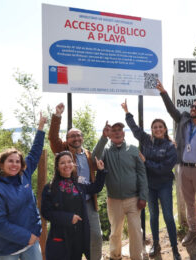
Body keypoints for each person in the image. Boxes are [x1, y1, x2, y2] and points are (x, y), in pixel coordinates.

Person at [156, 80, 196, 251]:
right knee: (190, 203)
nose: (193, 109)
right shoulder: (183, 119)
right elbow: (171, 109)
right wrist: (163, 92)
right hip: (184, 168)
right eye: (192, 106)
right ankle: (194, 231)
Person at [121, 99, 181, 260]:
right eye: (155, 127)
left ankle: (175, 248)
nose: (158, 129)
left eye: (160, 127)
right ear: (152, 130)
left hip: (164, 184)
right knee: (153, 216)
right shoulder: (147, 140)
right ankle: (156, 244)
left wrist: (146, 161)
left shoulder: (170, 146)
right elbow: (135, 130)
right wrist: (127, 112)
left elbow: (164, 169)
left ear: (165, 129)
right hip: (149, 185)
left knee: (168, 216)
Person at [0, 114, 46, 260]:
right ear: (1, 164)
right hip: (7, 249)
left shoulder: (24, 176)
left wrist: (41, 127)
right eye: (10, 161)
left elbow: (35, 152)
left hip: (31, 242)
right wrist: (26, 236)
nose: (14, 164)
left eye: (17, 161)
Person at [49, 102, 103, 260]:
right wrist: (57, 116)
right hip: (70, 204)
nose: (76, 138)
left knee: (96, 236)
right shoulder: (63, 151)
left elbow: (96, 172)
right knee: (72, 240)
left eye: (78, 135)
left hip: (88, 203)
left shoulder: (87, 154)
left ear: (82, 138)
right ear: (67, 139)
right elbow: (52, 137)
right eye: (72, 135)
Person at [93, 121, 148, 260]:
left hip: (134, 199)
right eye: (114, 130)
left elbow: (142, 174)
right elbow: (95, 159)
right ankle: (115, 256)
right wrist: (103, 138)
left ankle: (137, 257)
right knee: (115, 232)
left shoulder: (134, 149)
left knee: (135, 231)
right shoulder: (105, 151)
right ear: (110, 134)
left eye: (119, 130)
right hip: (114, 200)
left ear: (123, 133)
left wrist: (143, 196)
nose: (117, 132)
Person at [41, 151, 107, 260]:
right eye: (62, 163)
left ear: (73, 164)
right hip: (61, 236)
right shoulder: (49, 188)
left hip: (79, 235)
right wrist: (68, 218)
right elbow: (46, 213)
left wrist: (100, 171)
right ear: (57, 167)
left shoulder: (78, 183)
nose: (67, 165)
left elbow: (96, 188)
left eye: (69, 161)